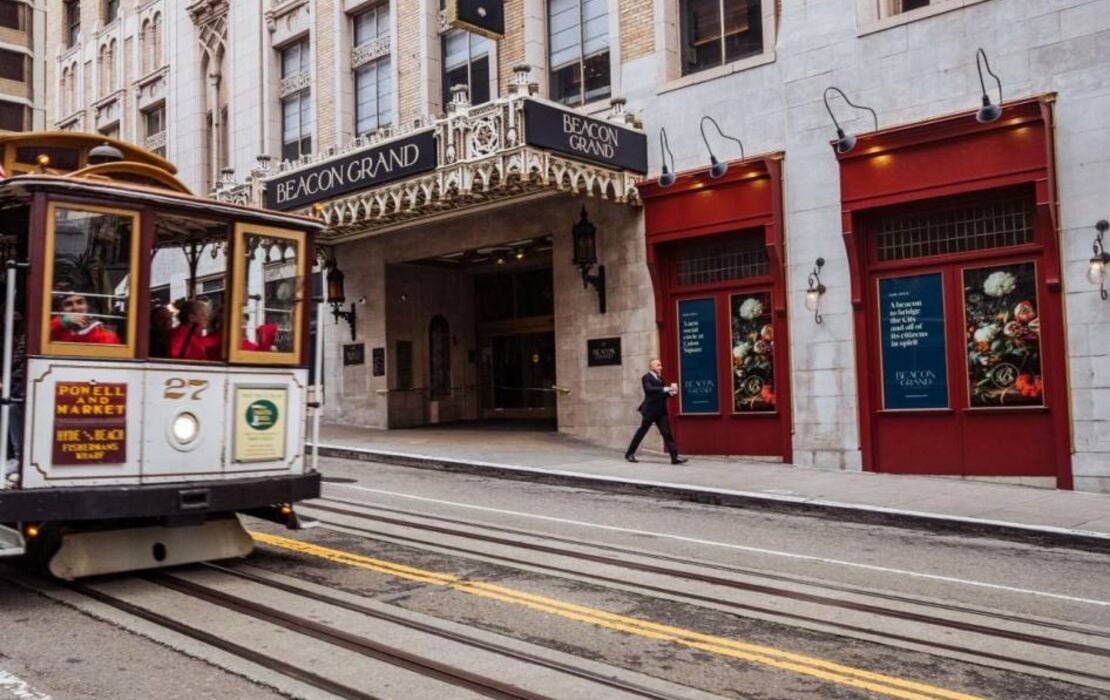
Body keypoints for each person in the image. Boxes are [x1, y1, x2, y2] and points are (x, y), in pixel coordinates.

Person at [625, 358, 687, 465]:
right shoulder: (646, 378)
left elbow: (662, 394)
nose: (661, 367)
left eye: (660, 365)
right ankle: (629, 454)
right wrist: (667, 389)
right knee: (641, 432)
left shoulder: (660, 379)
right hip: (650, 411)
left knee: (667, 433)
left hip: (661, 411)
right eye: (658, 365)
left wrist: (672, 393)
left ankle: (674, 457)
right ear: (651, 367)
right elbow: (649, 390)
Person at [49, 290, 121, 344]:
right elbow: (40, 334)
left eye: (80, 302)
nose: (75, 308)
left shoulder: (103, 335)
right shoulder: (57, 330)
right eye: (68, 304)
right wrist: (63, 321)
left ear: (87, 306)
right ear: (61, 310)